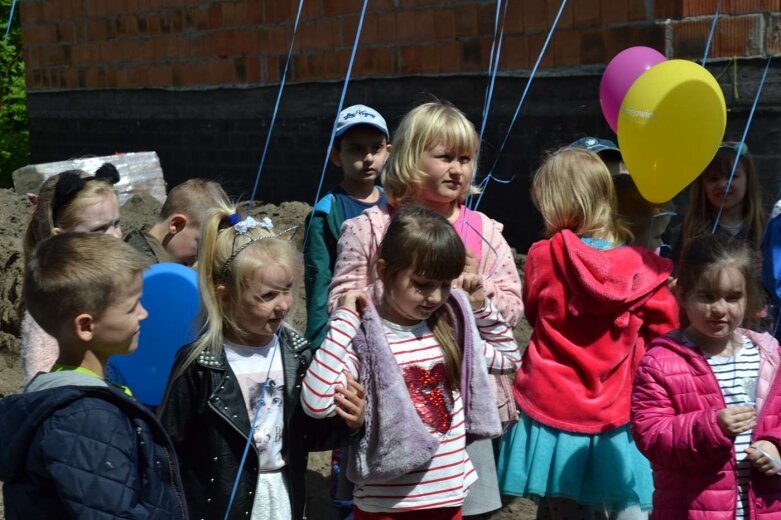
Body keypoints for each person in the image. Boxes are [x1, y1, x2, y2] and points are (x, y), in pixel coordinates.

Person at [327, 100, 523, 516]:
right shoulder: (370, 227)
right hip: (389, 404)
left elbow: (513, 308)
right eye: (445, 157)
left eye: (466, 159)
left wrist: (478, 294)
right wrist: (406, 285)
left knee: (464, 507)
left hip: (460, 406)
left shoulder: (484, 232)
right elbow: (341, 301)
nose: (458, 169)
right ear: (411, 159)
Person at [302, 207, 520, 519]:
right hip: (388, 507)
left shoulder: (450, 330)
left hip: (449, 499)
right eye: (422, 283)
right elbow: (316, 402)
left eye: (445, 285)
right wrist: (345, 318)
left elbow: (509, 358)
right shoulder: (366, 341)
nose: (434, 297)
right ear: (384, 270)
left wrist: (480, 307)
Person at [497, 147, 679, 519]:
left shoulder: (541, 256)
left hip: (550, 403)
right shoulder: (645, 269)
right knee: (625, 506)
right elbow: (668, 330)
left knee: (557, 509)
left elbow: (534, 313)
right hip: (616, 408)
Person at [158, 204, 363, 520]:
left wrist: (349, 423)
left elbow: (307, 433)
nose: (282, 305)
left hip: (281, 496)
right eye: (267, 296)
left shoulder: (296, 354)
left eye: (287, 290)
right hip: (220, 503)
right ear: (225, 296)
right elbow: (168, 449)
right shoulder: (200, 364)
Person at [0, 233, 187, 519]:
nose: (144, 313)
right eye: (132, 306)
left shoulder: (69, 393)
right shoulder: (86, 417)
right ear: (86, 326)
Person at [632, 234, 781, 519]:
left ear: (749, 296)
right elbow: (650, 434)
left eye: (733, 297)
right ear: (683, 293)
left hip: (765, 507)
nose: (720, 309)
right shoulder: (662, 361)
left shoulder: (769, 356)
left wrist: (775, 444)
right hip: (692, 508)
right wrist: (711, 427)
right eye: (707, 296)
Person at [20, 166, 123, 385]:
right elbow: (46, 390)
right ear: (61, 238)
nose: (114, 236)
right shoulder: (52, 310)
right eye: (99, 229)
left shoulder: (117, 287)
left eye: (116, 223)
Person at [304, 104, 391, 351]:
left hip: (393, 321)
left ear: (388, 151)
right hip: (348, 324)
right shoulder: (326, 213)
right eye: (356, 149)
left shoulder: (396, 205)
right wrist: (320, 343)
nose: (368, 158)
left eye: (376, 147)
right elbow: (319, 279)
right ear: (336, 155)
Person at [570, 137, 675, 252]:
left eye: (619, 180)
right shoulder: (561, 253)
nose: (614, 193)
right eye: (600, 183)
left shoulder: (655, 242)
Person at [672, 142, 766, 262]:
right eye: (713, 179)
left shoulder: (764, 226)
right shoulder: (692, 229)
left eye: (732, 176)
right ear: (703, 186)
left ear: (749, 180)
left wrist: (765, 270)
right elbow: (678, 271)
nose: (722, 185)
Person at [125, 177, 230, 266]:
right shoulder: (141, 268)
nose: (204, 255)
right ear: (176, 225)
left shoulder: (170, 257)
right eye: (201, 245)